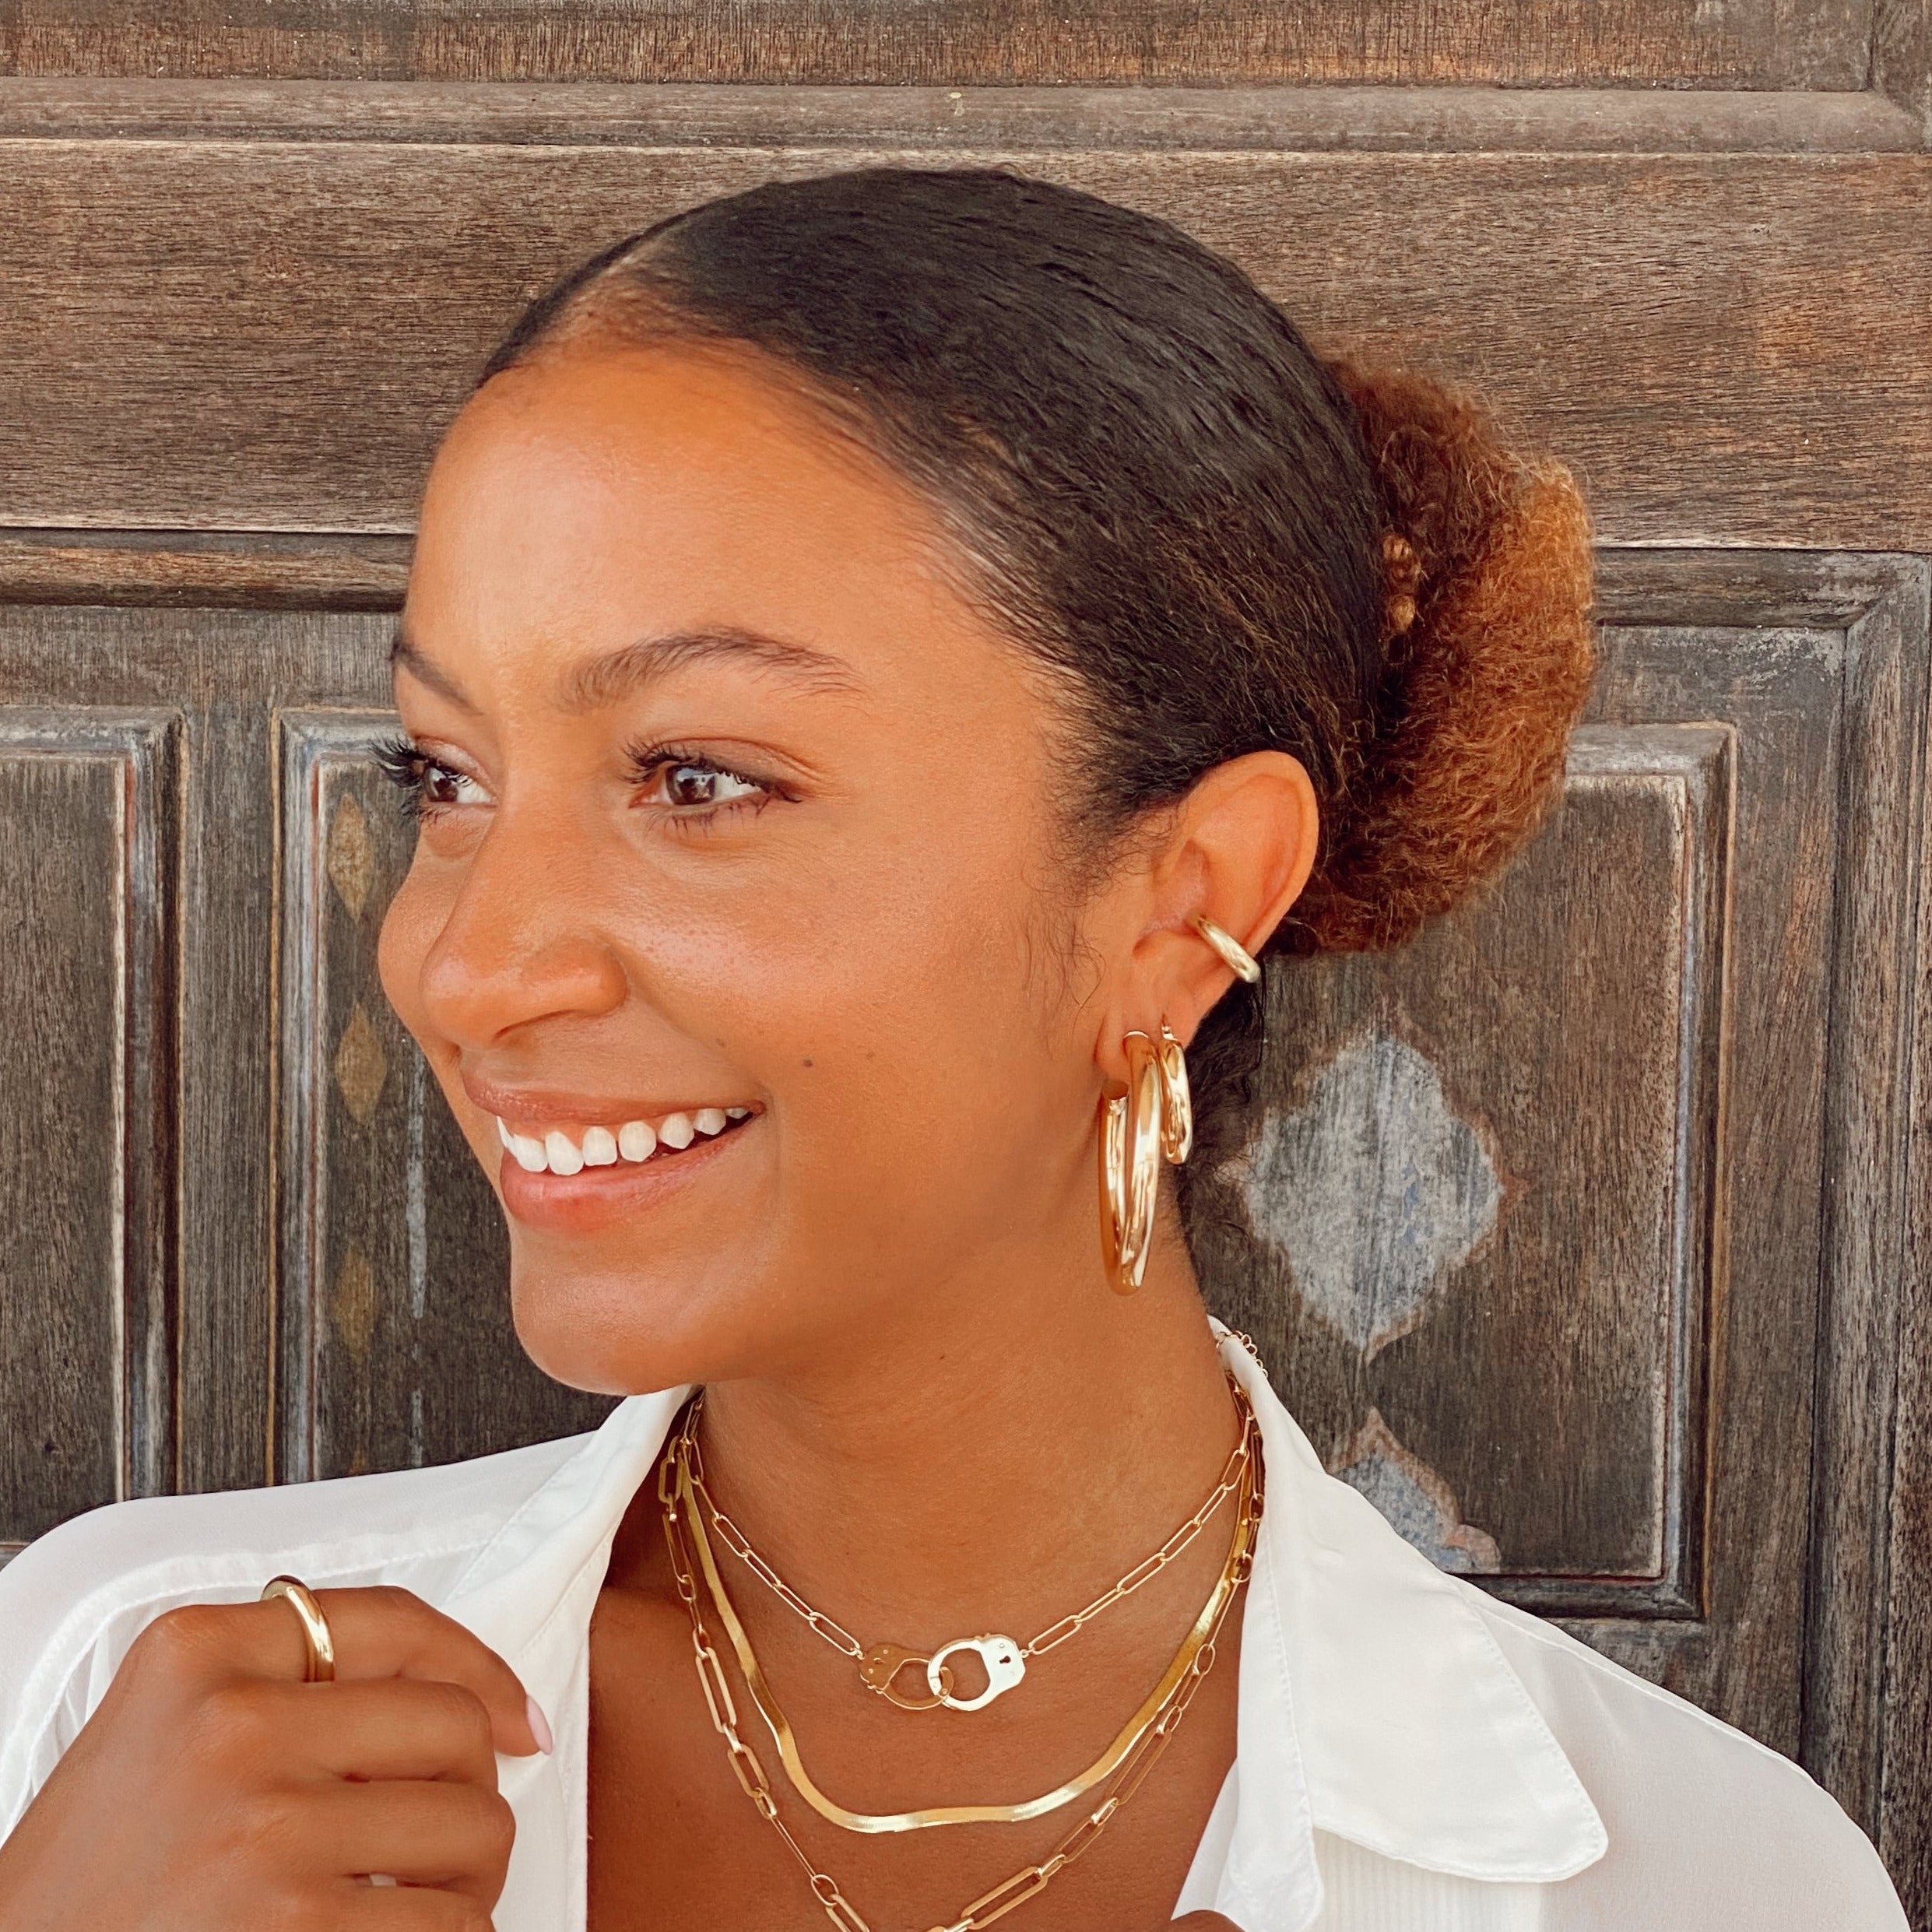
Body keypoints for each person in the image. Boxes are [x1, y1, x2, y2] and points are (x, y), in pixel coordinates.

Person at [0, 167, 1907, 1932]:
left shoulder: (1696, 1877)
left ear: (1179, 898)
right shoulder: (115, 1695)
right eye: (447, 773)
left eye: (698, 778)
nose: (462, 962)